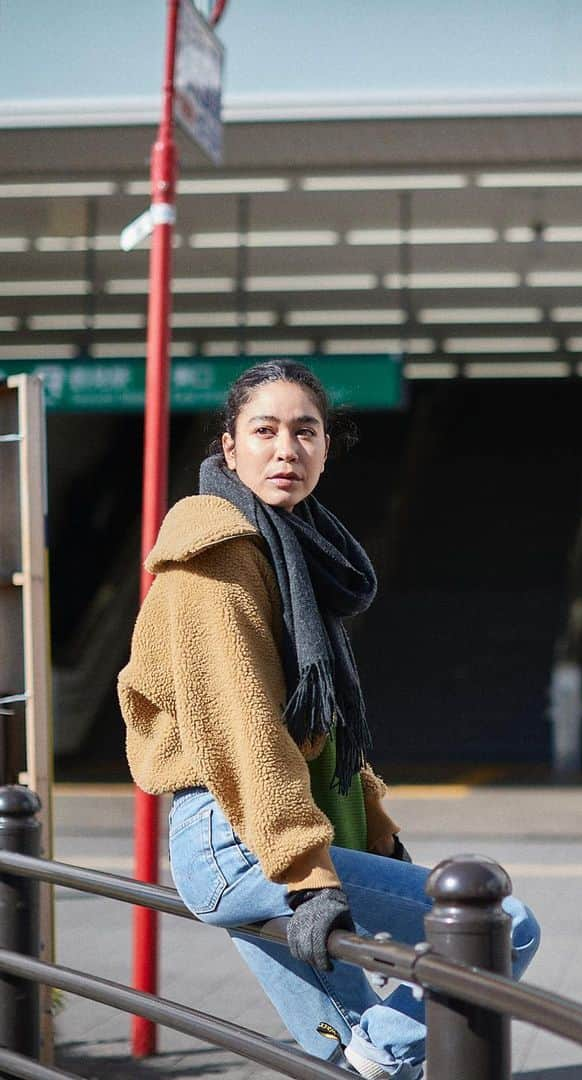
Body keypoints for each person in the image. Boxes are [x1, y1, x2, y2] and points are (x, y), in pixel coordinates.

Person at [118, 360, 540, 1078]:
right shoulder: (216, 559)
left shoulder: (293, 549)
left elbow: (327, 724)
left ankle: (377, 1053)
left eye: (305, 431)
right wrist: (310, 877)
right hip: (245, 838)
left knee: (351, 1060)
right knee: (501, 930)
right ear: (229, 447)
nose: (287, 449)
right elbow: (242, 726)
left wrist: (377, 836)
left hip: (262, 834)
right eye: (265, 430)